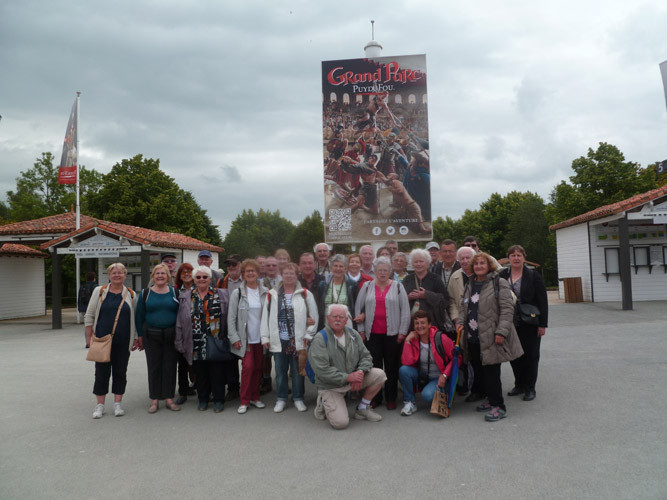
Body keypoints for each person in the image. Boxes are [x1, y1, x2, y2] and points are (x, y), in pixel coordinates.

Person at [456, 252, 523, 422]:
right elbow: (464, 306)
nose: (479, 266)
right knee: (480, 372)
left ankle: (499, 406)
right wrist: (460, 321)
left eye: (482, 263)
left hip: (491, 336)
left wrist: (501, 332)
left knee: (491, 372)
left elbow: (508, 310)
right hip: (472, 337)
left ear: (489, 265)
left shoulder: (499, 283)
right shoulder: (470, 283)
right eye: (476, 263)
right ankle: (489, 399)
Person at [308, 304, 387, 429]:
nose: (338, 319)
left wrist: (360, 372)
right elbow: (322, 371)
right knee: (341, 423)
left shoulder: (353, 334)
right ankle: (323, 402)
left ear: (346, 320)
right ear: (328, 318)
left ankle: (362, 408)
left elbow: (366, 356)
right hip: (331, 386)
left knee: (380, 375)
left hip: (352, 379)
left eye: (341, 317)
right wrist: (349, 377)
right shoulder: (320, 339)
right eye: (334, 316)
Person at [261, 263, 318, 412]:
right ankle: (281, 398)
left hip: (298, 339)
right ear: (281, 275)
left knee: (298, 371)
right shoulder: (272, 294)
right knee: (280, 371)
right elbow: (265, 317)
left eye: (292, 273)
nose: (289, 276)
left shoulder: (305, 294)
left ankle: (298, 398)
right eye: (286, 273)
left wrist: (308, 334)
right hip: (279, 339)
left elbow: (314, 317)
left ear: (296, 275)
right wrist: (265, 337)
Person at [354, 257, 410, 409]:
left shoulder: (398, 287)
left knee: (391, 368)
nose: (383, 273)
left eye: (386, 270)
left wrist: (402, 332)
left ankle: (391, 398)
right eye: (380, 270)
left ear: (390, 271)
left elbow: (405, 311)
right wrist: (361, 330)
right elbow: (358, 309)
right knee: (375, 369)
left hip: (393, 334)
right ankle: (375, 398)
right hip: (373, 335)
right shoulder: (367, 286)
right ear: (375, 271)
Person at [84, 263, 138, 419]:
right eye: (114, 272)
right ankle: (100, 405)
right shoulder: (99, 291)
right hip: (102, 340)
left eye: (120, 272)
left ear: (125, 275)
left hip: (123, 341)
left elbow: (134, 318)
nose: (117, 275)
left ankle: (117, 403)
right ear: (109, 275)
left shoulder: (131, 294)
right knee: (101, 372)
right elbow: (89, 315)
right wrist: (89, 338)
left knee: (120, 372)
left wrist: (134, 338)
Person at [175, 266, 230, 413]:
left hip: (216, 339)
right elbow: (180, 321)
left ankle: (218, 400)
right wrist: (179, 341)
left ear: (210, 279)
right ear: (194, 280)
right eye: (198, 277)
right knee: (200, 373)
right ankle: (203, 399)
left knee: (217, 372)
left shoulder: (222, 294)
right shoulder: (186, 296)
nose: (201, 280)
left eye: (204, 277)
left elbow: (229, 316)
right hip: (195, 340)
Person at [499, 245, 548, 401]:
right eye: (512, 255)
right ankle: (519, 384)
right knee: (514, 356)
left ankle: (530, 387)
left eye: (519, 255)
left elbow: (543, 301)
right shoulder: (502, 275)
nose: (516, 258)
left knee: (531, 356)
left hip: (530, 322)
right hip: (510, 323)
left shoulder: (533, 276)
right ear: (508, 258)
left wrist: (543, 324)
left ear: (524, 258)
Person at [135, 264, 180, 413]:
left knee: (170, 366)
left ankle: (168, 398)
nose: (160, 276)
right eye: (157, 273)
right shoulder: (145, 293)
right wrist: (139, 336)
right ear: (153, 276)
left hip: (170, 334)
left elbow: (180, 314)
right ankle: (154, 399)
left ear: (168, 276)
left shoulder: (175, 292)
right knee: (154, 366)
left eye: (163, 273)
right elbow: (139, 316)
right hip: (151, 335)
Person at [228, 259, 269, 414]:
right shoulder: (237, 293)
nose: (251, 273)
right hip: (245, 338)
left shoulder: (265, 291)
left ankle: (255, 397)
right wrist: (234, 338)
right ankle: (244, 400)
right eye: (247, 271)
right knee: (248, 367)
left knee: (259, 368)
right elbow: (231, 318)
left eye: (253, 271)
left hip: (261, 337)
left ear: (258, 273)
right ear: (243, 274)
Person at [398, 311, 456, 416]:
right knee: (403, 370)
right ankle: (409, 402)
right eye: (416, 323)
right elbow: (406, 362)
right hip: (423, 375)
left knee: (427, 396)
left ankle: (443, 391)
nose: (419, 326)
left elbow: (457, 358)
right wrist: (407, 341)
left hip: (439, 377)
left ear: (429, 324)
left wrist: (445, 375)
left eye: (423, 322)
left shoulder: (440, 338)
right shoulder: (414, 339)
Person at [218, 254, 243, 401]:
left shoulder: (247, 280)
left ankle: (253, 386)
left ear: (240, 264)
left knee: (248, 356)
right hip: (227, 322)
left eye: (234, 264)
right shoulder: (222, 281)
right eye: (229, 265)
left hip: (245, 322)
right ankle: (233, 388)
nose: (231, 267)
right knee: (230, 358)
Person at [402, 248, 448, 326]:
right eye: (416, 262)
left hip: (432, 323)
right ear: (412, 264)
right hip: (412, 324)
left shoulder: (435, 279)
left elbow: (445, 301)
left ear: (427, 263)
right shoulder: (407, 280)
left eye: (421, 261)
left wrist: (427, 295)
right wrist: (408, 298)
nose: (418, 264)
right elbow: (399, 301)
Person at [316, 254, 358, 330]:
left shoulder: (352, 285)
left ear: (346, 269)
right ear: (331, 268)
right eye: (335, 266)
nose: (338, 268)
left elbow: (356, 305)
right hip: (326, 325)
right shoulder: (323, 285)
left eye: (341, 266)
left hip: (346, 325)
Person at [173, 262, 196, 404]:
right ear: (179, 276)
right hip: (181, 329)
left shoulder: (200, 286)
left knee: (198, 362)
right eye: (183, 272)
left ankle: (202, 388)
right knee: (182, 363)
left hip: (197, 329)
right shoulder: (175, 291)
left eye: (189, 271)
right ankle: (183, 391)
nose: (186, 274)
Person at [78, 271, 97, 348]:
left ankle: (87, 342)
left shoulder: (82, 287)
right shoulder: (97, 287)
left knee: (87, 325)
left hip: (83, 309)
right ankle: (95, 340)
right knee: (95, 325)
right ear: (94, 279)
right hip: (93, 309)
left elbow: (79, 298)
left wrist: (80, 308)